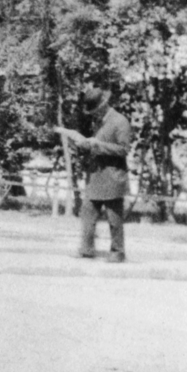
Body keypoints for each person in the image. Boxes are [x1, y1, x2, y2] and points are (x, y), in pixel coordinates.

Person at [54, 83, 132, 262]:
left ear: (104, 105)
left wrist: (98, 145)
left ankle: (117, 253)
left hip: (113, 177)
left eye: (96, 110)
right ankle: (86, 250)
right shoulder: (99, 122)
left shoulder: (120, 122)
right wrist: (83, 146)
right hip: (95, 176)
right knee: (87, 213)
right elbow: (95, 146)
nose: (94, 114)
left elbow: (123, 150)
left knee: (114, 219)